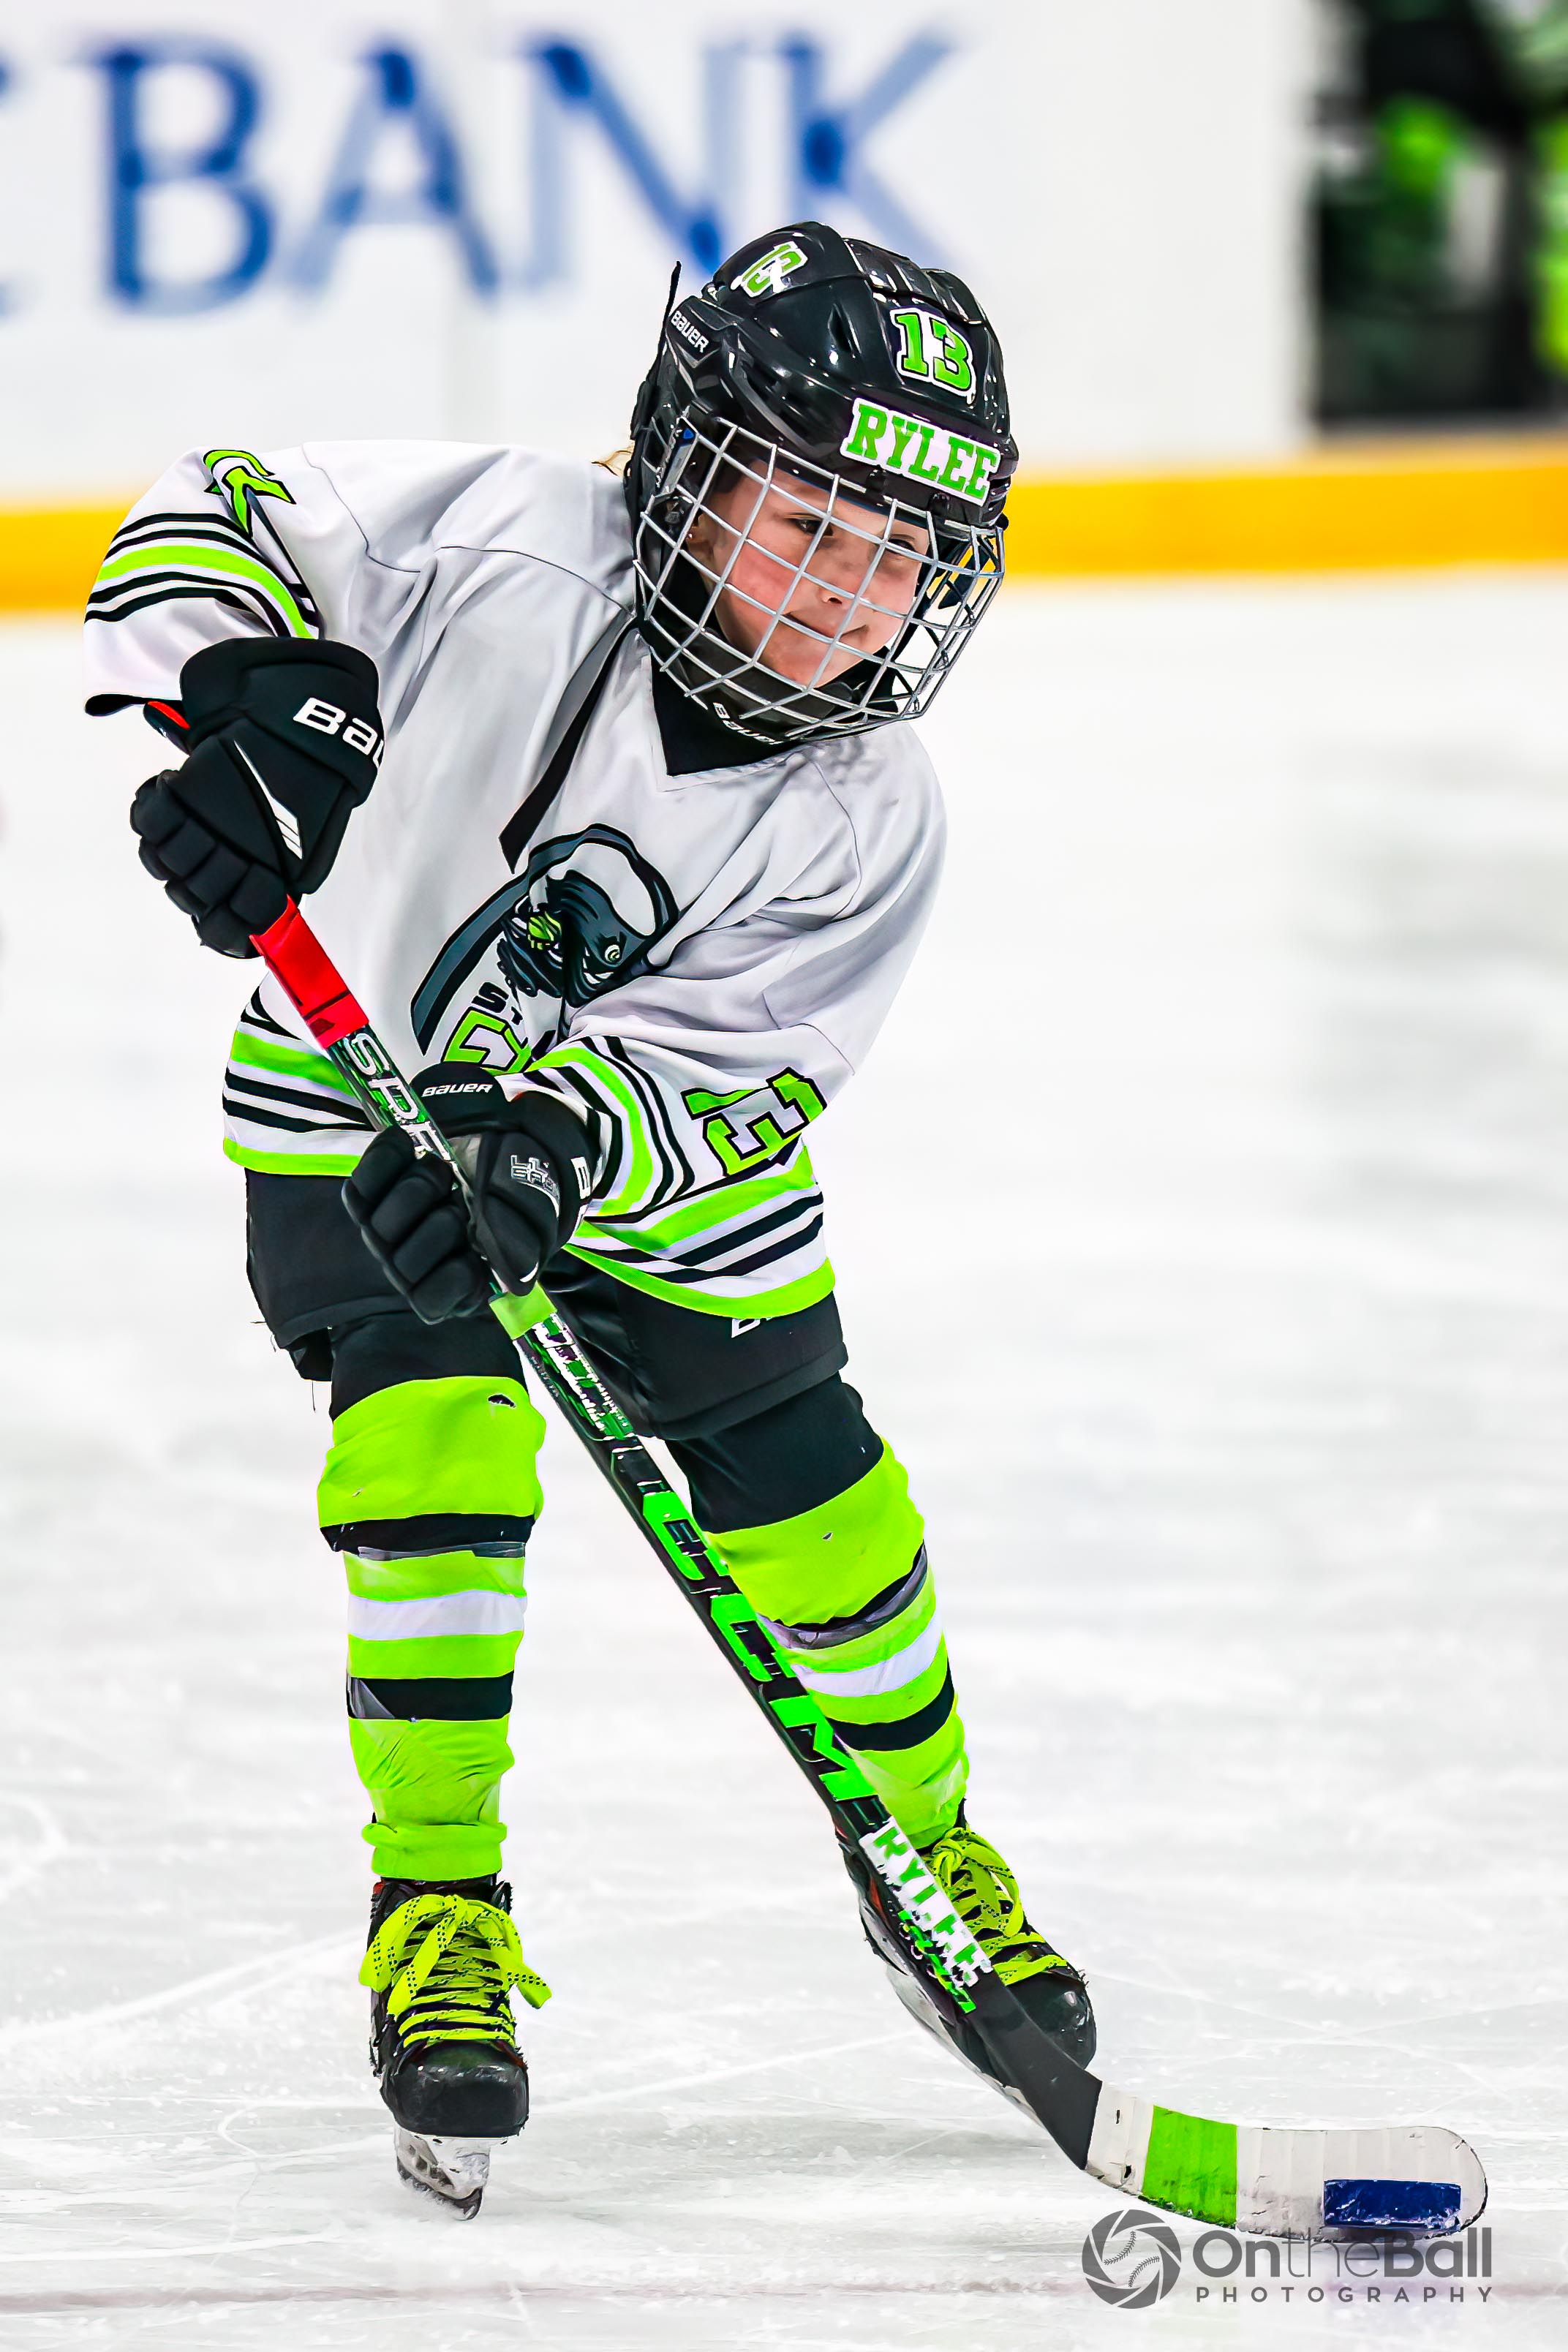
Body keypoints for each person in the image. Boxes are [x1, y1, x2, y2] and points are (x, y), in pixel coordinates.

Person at [85, 220, 1093, 2206]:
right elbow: (221, 505)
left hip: (648, 1172)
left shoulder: (869, 812)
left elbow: (740, 1082)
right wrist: (246, 700)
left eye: (899, 553)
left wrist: (560, 1153)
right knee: (432, 1456)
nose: (849, 597)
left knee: (825, 1509)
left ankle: (928, 1852)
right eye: (809, 525)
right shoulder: (508, 550)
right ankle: (436, 1906)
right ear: (685, 472)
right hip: (353, 1089)